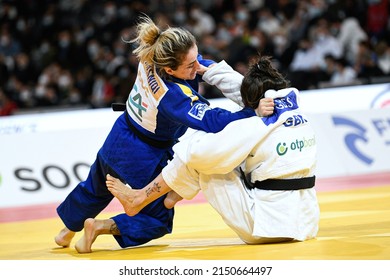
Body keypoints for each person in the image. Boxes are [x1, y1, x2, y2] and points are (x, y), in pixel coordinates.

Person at [54, 15, 273, 253]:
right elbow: (210, 120)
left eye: (195, 56)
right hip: (143, 153)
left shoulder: (152, 55)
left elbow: (199, 64)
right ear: (170, 69)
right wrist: (251, 112)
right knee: (158, 219)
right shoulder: (170, 96)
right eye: (190, 66)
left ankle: (66, 230)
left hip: (119, 134)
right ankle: (98, 227)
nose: (196, 67)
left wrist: (201, 66)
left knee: (95, 187)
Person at [106, 55, 320, 244]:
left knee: (199, 151)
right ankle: (172, 194)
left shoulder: (254, 126)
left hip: (266, 226)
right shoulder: (292, 106)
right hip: (306, 221)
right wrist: (207, 70)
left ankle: (142, 197)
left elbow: (197, 154)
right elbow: (244, 88)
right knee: (221, 155)